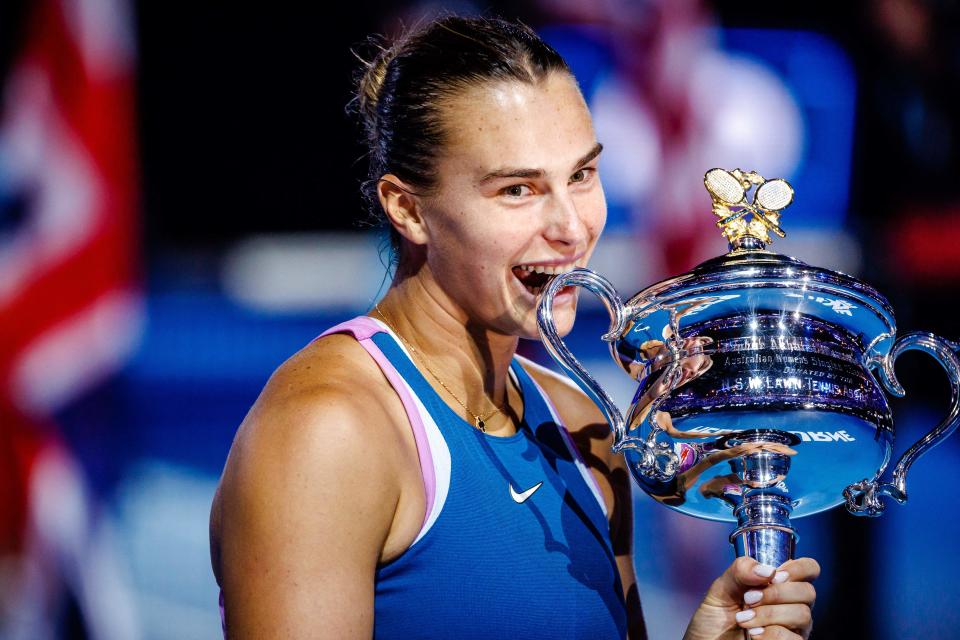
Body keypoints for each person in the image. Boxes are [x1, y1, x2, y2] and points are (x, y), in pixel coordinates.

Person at [208, 15, 818, 639]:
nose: (572, 229)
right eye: (518, 190)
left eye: (581, 175)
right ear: (408, 209)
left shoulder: (582, 428)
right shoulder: (327, 431)